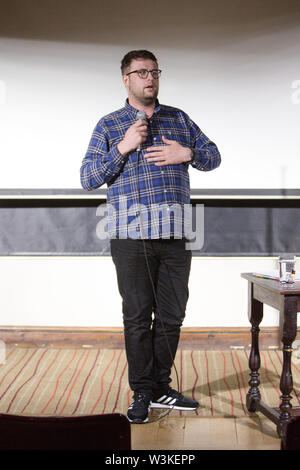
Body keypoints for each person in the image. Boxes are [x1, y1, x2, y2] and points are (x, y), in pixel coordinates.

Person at [80, 50, 221, 423]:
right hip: (131, 236)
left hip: (176, 234)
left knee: (172, 316)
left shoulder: (178, 118)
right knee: (138, 317)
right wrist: (124, 146)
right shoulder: (110, 125)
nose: (149, 77)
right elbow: (88, 178)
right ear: (125, 79)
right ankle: (142, 391)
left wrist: (186, 152)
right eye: (140, 72)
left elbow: (213, 155)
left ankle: (161, 388)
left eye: (154, 71)